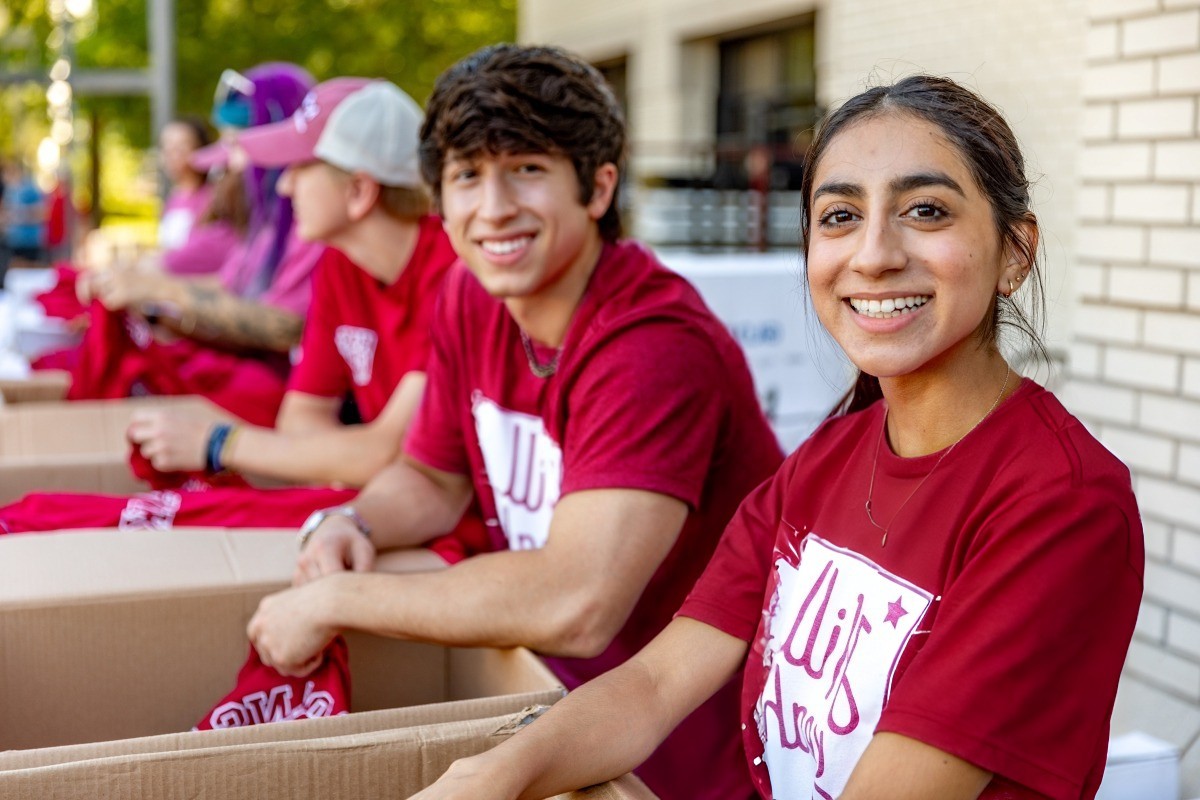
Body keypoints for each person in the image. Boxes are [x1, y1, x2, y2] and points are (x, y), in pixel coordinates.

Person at [410, 75, 1145, 800]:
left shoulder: (1061, 501)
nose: (874, 254)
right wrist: (485, 776)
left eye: (925, 210)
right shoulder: (823, 462)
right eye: (839, 216)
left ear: (1015, 251)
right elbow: (655, 684)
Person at [245, 44, 784, 800]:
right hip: (558, 712)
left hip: (695, 754)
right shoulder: (470, 296)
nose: (493, 207)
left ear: (597, 187)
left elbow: (579, 602)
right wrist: (353, 523)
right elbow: (432, 478)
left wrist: (336, 600)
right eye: (467, 175)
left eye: (527, 168)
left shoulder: (653, 345)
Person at [125, 77, 459, 490]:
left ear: (359, 190)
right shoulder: (340, 263)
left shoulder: (452, 274)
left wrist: (220, 444)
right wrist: (346, 461)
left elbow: (390, 454)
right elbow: (300, 418)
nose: (283, 185)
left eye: (299, 167)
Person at [66, 63, 322, 425]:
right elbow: (228, 288)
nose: (230, 168)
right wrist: (154, 303)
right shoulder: (266, 228)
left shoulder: (306, 229)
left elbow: (285, 325)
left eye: (241, 149)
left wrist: (158, 290)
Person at [154, 116, 241, 276]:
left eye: (180, 146)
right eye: (166, 146)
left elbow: (197, 254)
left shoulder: (213, 198)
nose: (170, 153)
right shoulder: (174, 198)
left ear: (199, 148)